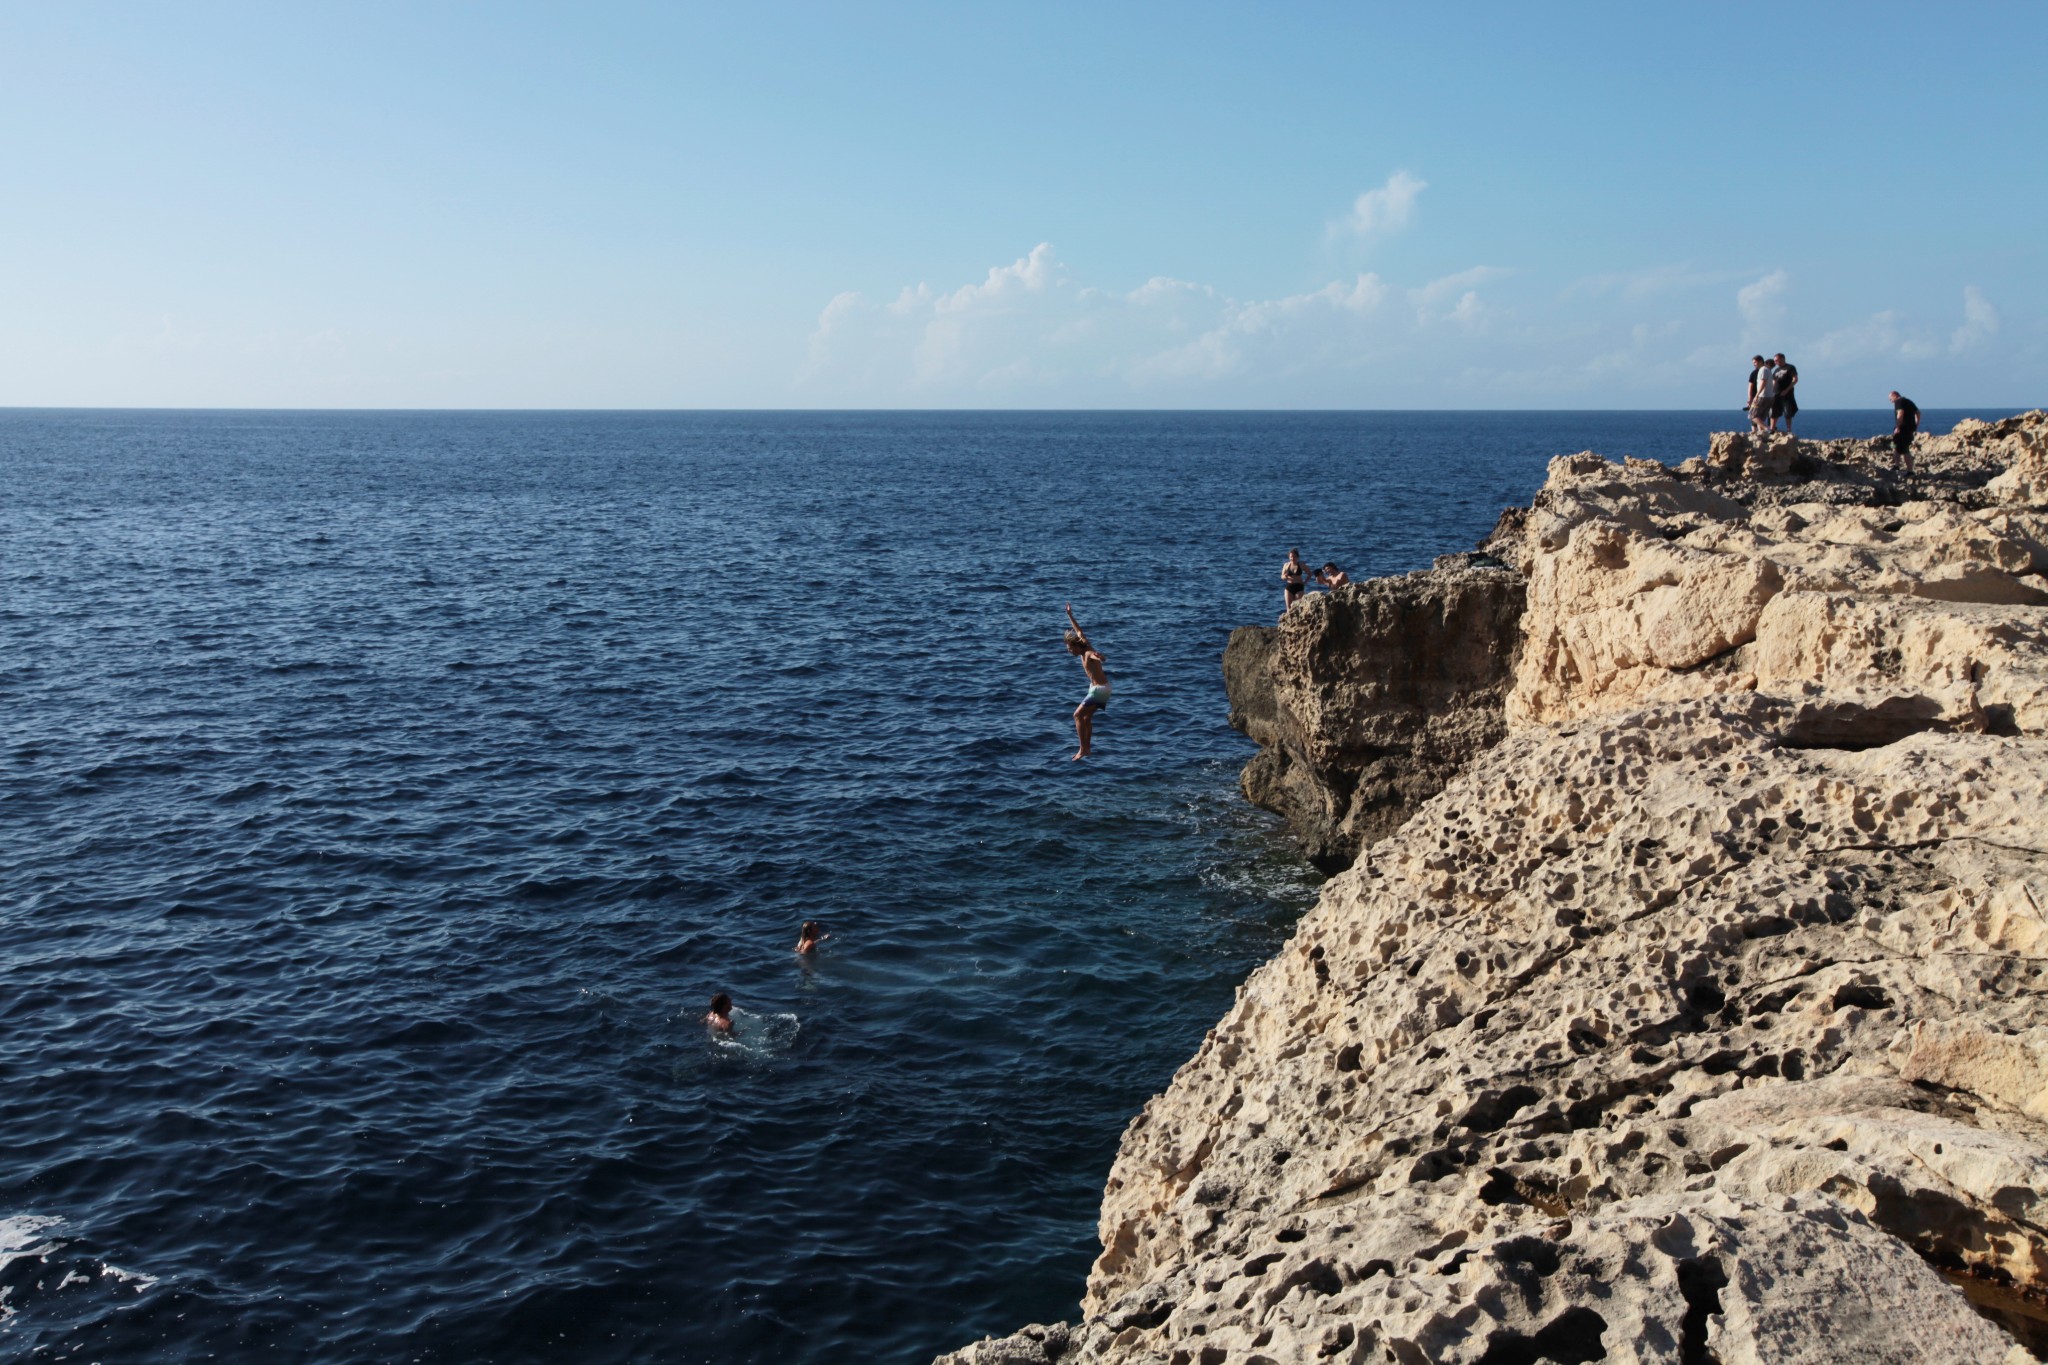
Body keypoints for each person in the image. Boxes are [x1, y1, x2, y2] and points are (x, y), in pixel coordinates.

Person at [1063, 602, 1110, 761]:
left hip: (1100, 690)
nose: (1069, 651)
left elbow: (1094, 656)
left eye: (1070, 648)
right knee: (1086, 718)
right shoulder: (1084, 643)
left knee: (1077, 715)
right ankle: (1087, 749)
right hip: (1100, 688)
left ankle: (1083, 749)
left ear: (1076, 646)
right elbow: (1079, 630)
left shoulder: (1088, 652)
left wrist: (1100, 657)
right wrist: (1070, 615)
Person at [1891, 391, 1921, 473]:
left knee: (1904, 450)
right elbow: (1918, 413)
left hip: (1902, 429)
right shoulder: (1909, 401)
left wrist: (1897, 427)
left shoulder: (1898, 401)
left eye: (1891, 399)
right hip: (1910, 428)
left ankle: (1910, 471)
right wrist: (1916, 424)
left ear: (1895, 396)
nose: (1891, 401)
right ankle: (1896, 465)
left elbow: (1900, 413)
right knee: (1896, 446)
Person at [1771, 353, 1799, 434]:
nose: (1775, 362)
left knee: (1788, 413)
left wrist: (1786, 390)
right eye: (1774, 361)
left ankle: (1789, 430)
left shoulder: (1790, 368)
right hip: (1776, 394)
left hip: (1787, 394)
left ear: (1782, 359)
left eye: (1776, 360)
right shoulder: (1776, 370)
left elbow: (1795, 379)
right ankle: (1772, 429)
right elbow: (1773, 382)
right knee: (1774, 412)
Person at [1280, 549, 1308, 614]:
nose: (1292, 558)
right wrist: (1286, 577)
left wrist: (1305, 581)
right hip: (1289, 587)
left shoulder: (1301, 565)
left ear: (1297, 557)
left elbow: (1309, 573)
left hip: (1299, 586)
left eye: (1294, 556)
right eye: (1291, 557)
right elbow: (1282, 577)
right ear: (1289, 557)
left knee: (1298, 606)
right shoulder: (1286, 565)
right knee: (1289, 607)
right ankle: (1289, 622)